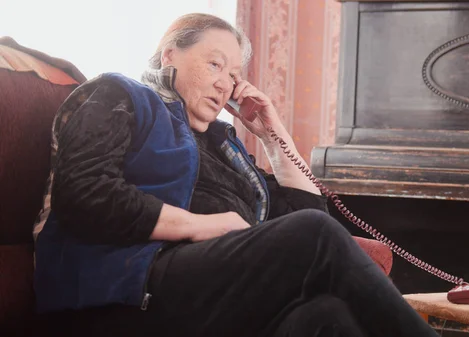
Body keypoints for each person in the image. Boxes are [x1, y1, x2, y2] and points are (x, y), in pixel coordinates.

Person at [33, 13, 440, 337]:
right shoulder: (120, 95)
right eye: (215, 64)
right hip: (122, 293)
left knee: (324, 316)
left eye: (233, 75)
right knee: (313, 234)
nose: (225, 83)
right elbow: (82, 190)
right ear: (169, 55)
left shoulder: (224, 148)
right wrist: (199, 226)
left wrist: (273, 135)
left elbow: (299, 217)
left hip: (206, 294)